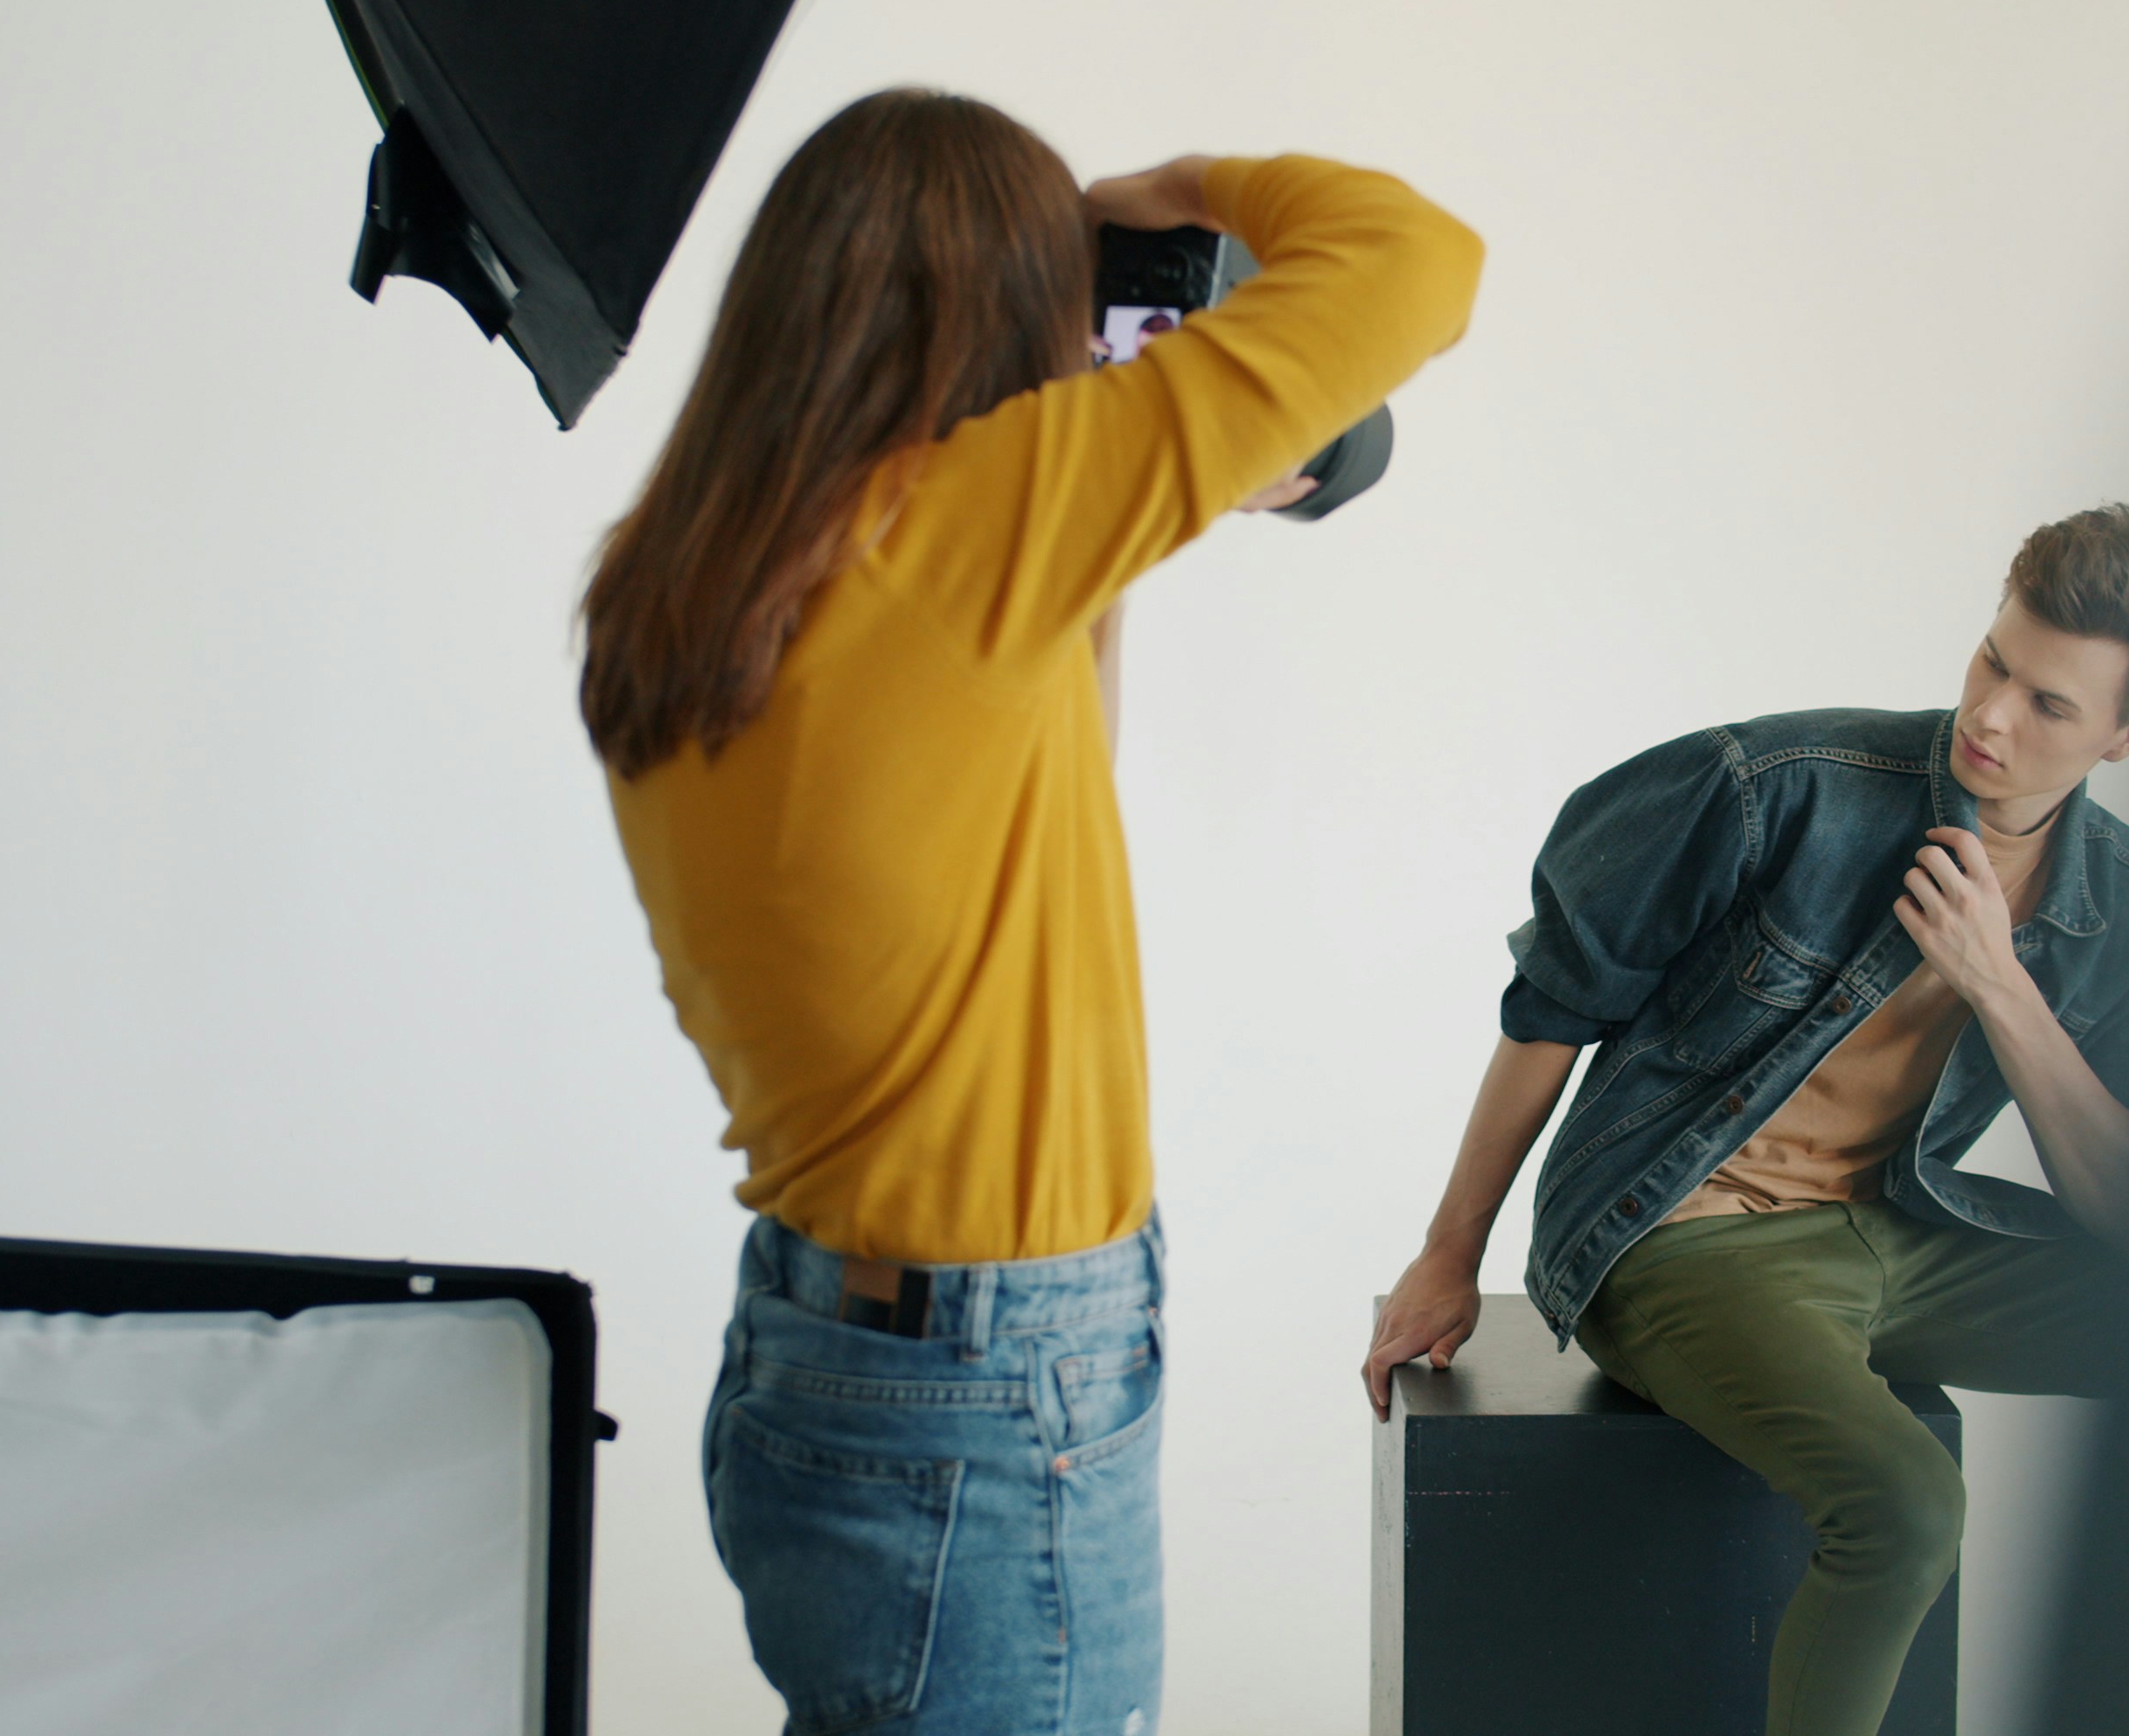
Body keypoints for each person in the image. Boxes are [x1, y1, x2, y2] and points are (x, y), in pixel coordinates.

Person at [583, 89, 1483, 1736]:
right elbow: (1419, 258)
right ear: (1010, 302)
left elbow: (1015, 782)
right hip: (991, 1397)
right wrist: (1176, 187)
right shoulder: (972, 522)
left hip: (820, 1348)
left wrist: (1112, 530)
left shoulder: (682, 579)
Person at [1363, 505, 2129, 1736]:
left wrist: (2000, 984)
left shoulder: (2123, 908)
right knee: (1910, 1509)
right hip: (1683, 1234)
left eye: (2050, 706)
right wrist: (1451, 1251)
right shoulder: (1782, 789)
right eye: (1995, 661)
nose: (1989, 716)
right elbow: (1553, 1004)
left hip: (1891, 1235)